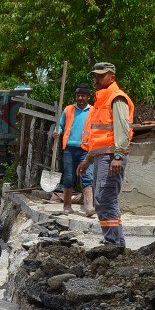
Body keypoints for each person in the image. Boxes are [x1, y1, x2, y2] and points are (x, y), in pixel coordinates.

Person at [78, 62, 135, 248]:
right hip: (102, 158)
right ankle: (115, 244)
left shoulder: (117, 98)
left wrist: (118, 156)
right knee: (102, 200)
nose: (96, 79)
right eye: (95, 76)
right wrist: (87, 160)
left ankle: (113, 244)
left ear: (112, 76)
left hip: (112, 158)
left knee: (106, 199)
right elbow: (98, 138)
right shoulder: (100, 101)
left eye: (100, 76)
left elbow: (122, 131)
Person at [53, 84, 94, 216]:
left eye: (83, 95)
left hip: (86, 149)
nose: (80, 98)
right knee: (69, 177)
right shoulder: (69, 109)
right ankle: (67, 206)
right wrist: (57, 131)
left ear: (88, 97)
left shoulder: (93, 111)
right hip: (70, 149)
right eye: (78, 95)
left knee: (87, 177)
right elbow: (60, 125)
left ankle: (89, 208)